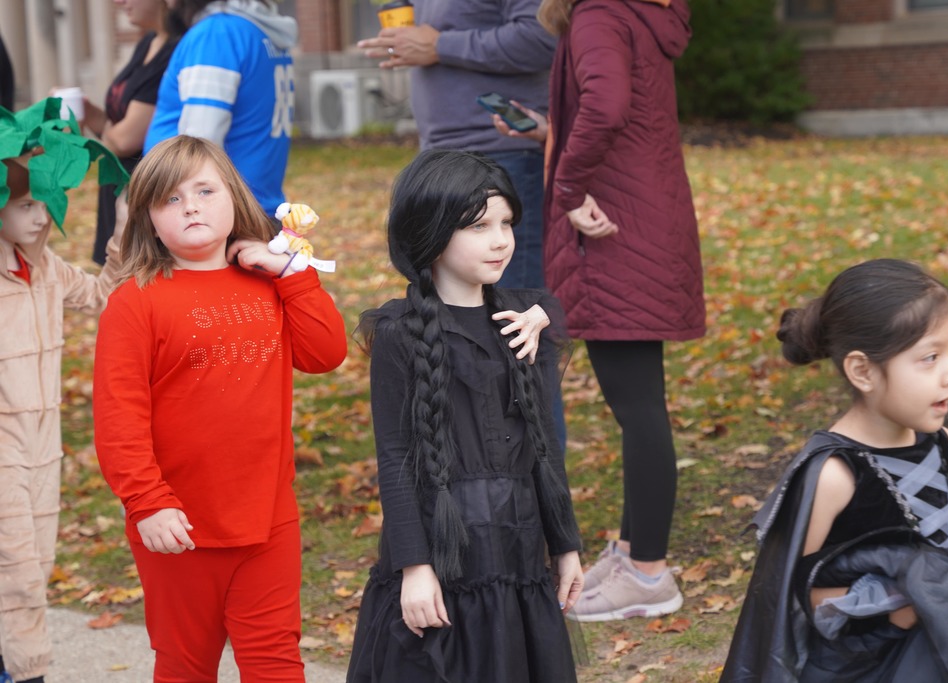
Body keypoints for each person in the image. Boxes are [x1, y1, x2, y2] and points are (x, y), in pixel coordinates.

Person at [92, 135, 347, 681]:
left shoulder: (268, 283)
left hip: (268, 519)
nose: (191, 206)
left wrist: (290, 276)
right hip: (176, 525)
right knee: (186, 664)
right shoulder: (136, 300)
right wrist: (147, 502)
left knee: (276, 662)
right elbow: (119, 417)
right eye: (170, 199)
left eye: (205, 190)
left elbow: (325, 354)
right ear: (149, 221)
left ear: (233, 196)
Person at [496, 0, 705, 621]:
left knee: (638, 409)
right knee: (640, 403)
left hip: (615, 231)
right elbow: (621, 110)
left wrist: (567, 183)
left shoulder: (598, 15)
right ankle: (633, 551)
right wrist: (551, 130)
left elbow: (608, 107)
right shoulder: (639, 15)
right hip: (644, 222)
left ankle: (648, 574)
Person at [721, 259, 948, 682]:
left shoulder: (944, 445)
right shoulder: (832, 475)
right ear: (863, 371)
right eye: (930, 357)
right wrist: (893, 607)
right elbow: (789, 599)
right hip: (865, 664)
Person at [346, 150, 584, 682]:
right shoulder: (399, 334)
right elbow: (396, 456)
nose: (500, 240)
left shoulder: (523, 321)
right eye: (478, 226)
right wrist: (415, 566)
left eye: (506, 223)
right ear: (429, 231)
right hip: (443, 555)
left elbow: (544, 446)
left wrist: (565, 544)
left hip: (520, 551)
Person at [0, 98, 128, 683]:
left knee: (37, 563)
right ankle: (26, 673)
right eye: (24, 205)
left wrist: (123, 236)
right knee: (16, 567)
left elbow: (104, 295)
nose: (39, 218)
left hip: (41, 447)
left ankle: (20, 665)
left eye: (47, 204)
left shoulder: (49, 270)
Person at [356, 0, 555, 291]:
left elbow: (541, 37)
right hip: (439, 156)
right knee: (450, 304)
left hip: (503, 154)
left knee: (511, 308)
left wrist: (441, 45)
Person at [144, 0, 297, 217]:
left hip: (216, 221)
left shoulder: (216, 34)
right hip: (252, 208)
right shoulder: (253, 29)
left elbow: (198, 142)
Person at [81, 0, 181, 265]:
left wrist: (111, 138)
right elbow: (118, 129)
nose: (119, 2)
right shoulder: (148, 42)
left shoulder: (175, 51)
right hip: (116, 186)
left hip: (141, 189)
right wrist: (86, 111)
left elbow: (126, 140)